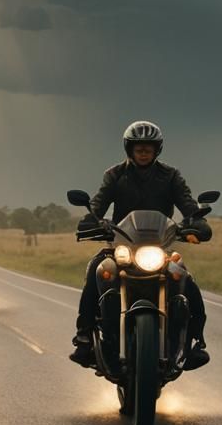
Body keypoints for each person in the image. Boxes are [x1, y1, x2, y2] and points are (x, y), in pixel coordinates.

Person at [69, 121, 210, 370]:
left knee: (186, 280)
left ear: (157, 150)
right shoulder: (114, 175)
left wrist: (198, 223)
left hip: (159, 249)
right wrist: (90, 221)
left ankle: (197, 343)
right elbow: (99, 204)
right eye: (139, 148)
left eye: (148, 148)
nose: (143, 152)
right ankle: (84, 340)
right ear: (129, 150)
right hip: (123, 245)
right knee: (96, 270)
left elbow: (188, 206)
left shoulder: (171, 176)